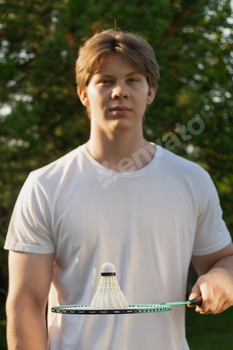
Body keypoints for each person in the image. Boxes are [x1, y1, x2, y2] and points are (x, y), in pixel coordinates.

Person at [4, 29, 233, 350]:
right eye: (105, 80)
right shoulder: (45, 186)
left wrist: (223, 278)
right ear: (84, 93)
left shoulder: (191, 179)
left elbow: (225, 259)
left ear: (150, 91)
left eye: (133, 80)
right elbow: (25, 304)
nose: (119, 92)